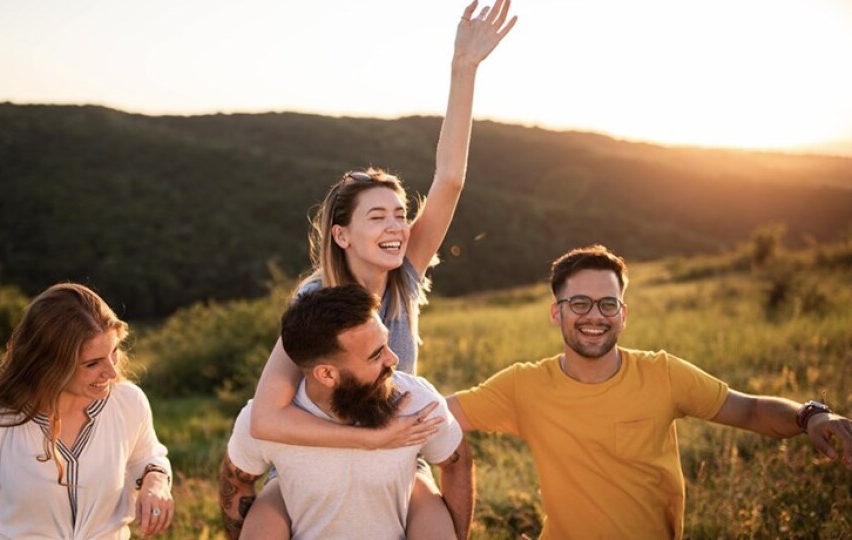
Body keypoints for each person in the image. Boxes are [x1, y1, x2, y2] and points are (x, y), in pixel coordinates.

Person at [244, 0, 516, 536]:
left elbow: (450, 180)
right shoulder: (314, 302)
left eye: (400, 214)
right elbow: (266, 418)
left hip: (396, 466)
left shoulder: (403, 276)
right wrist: (369, 439)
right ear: (342, 235)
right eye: (378, 217)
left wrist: (464, 69)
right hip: (312, 465)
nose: (397, 227)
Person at [447, 244, 852, 539]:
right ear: (557, 312)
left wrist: (811, 414)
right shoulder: (523, 385)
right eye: (580, 303)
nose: (595, 316)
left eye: (608, 304)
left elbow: (748, 410)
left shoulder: (663, 373)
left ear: (623, 314)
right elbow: (440, 414)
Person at [0, 283, 174, 540]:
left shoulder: (128, 402)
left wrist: (156, 482)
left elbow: (149, 457)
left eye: (113, 352)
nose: (112, 372)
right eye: (92, 364)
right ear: (49, 364)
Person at [219, 285, 473, 540]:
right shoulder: (267, 421)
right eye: (376, 355)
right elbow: (236, 480)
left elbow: (458, 463)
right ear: (327, 374)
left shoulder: (418, 402)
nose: (393, 359)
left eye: (385, 344)